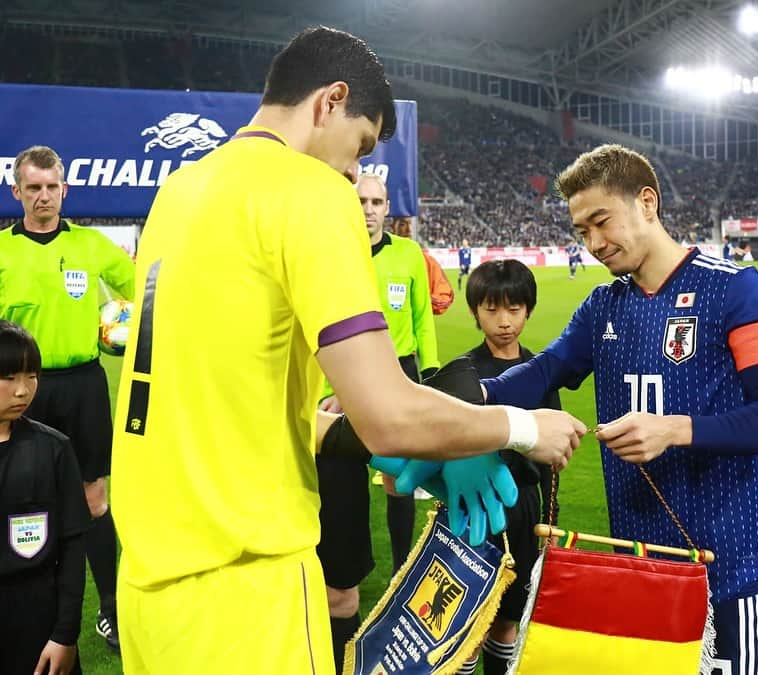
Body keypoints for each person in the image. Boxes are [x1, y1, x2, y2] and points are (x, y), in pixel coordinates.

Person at [110, 27, 585, 675]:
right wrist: (524, 426)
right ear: (330, 100)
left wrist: (382, 442)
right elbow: (386, 411)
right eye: (360, 145)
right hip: (247, 586)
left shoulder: (179, 194)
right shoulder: (310, 192)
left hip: (149, 586)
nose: (355, 170)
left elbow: (244, 405)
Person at [471, 145, 758, 674]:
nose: (594, 243)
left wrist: (674, 430)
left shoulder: (735, 289)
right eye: (581, 232)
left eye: (601, 222)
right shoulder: (604, 305)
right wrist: (456, 401)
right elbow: (542, 372)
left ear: (647, 202)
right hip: (639, 567)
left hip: (729, 568)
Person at [0, 145, 135, 652]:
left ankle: (111, 609)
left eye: (51, 186)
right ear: (17, 192)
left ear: (64, 190)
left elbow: (143, 287)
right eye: (32, 188)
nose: (43, 196)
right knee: (20, 495)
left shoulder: (92, 246)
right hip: (21, 389)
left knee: (94, 499)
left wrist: (125, 324)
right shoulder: (3, 251)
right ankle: (26, 599)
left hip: (83, 386)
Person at [316, 174, 440, 669]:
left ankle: (398, 569)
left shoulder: (409, 256)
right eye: (360, 200)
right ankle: (341, 570)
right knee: (343, 478)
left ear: (389, 207)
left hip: (400, 373)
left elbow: (422, 316)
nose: (368, 209)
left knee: (398, 481)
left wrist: (428, 374)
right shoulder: (331, 254)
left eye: (375, 201)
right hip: (341, 383)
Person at [456, 260, 561, 675]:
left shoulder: (541, 372)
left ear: (528, 310)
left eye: (514, 309)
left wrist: (552, 519)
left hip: (525, 509)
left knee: (509, 618)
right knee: (468, 620)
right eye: (492, 309)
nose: (504, 321)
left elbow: (554, 454)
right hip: (474, 509)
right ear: (475, 312)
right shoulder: (463, 374)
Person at [0, 320, 91, 675]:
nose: (23, 390)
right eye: (8, 378)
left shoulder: (53, 449)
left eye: (31, 376)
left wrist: (65, 635)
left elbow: (72, 548)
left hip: (38, 626)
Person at [392, 216, 454, 315]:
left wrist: (420, 298)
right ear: (392, 227)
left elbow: (445, 298)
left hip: (419, 330)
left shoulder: (427, 262)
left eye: (412, 224)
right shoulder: (376, 257)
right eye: (403, 224)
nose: (409, 229)